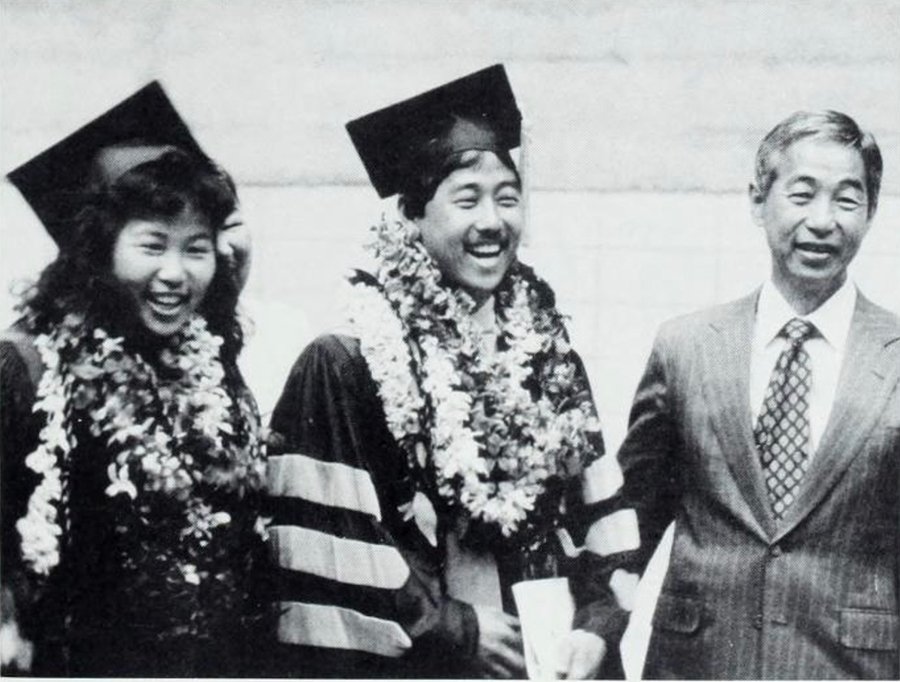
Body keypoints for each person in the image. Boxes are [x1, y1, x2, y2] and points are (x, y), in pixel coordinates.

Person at [265, 65, 641, 679]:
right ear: (412, 215)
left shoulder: (549, 356)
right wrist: (455, 629)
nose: (492, 221)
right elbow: (329, 553)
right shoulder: (347, 363)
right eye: (466, 198)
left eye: (508, 197)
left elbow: (600, 525)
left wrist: (594, 630)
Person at [617, 110, 899, 679]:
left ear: (870, 213)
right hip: (696, 664)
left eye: (847, 200)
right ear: (757, 200)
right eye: (802, 194)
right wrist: (592, 628)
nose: (823, 221)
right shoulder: (686, 348)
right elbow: (628, 527)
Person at [0, 82, 269, 676]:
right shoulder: (28, 368)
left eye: (195, 248)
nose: (175, 273)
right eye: (152, 245)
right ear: (97, 250)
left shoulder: (210, 371)